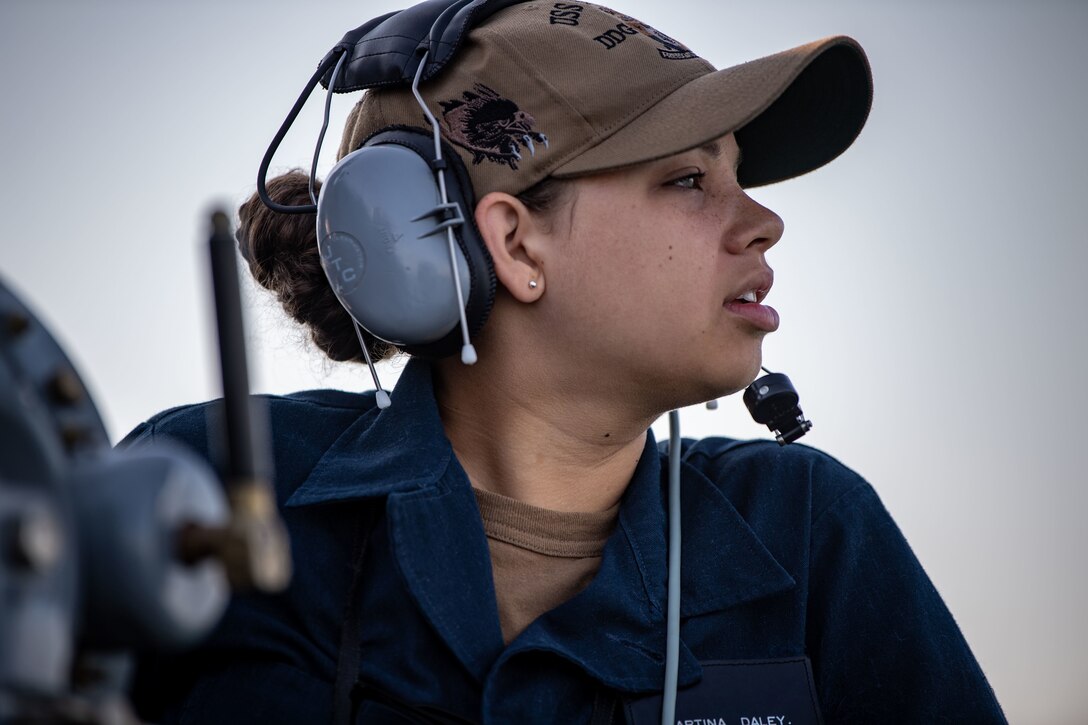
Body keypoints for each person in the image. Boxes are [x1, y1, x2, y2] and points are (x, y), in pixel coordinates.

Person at [124, 1, 1006, 722]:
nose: (763, 222)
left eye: (740, 177)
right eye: (689, 180)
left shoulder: (813, 533)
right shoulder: (203, 486)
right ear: (514, 242)